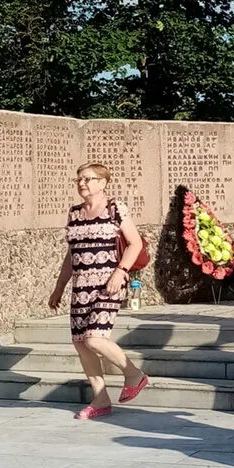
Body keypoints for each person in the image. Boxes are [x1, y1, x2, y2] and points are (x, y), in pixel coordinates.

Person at [48, 162, 149, 420]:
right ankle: (100, 398)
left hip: (109, 283)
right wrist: (59, 288)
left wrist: (121, 271)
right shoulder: (74, 214)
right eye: (79, 179)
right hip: (81, 286)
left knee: (94, 339)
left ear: (103, 183)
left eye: (88, 179)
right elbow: (71, 255)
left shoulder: (116, 208)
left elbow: (135, 243)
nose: (82, 183)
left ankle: (134, 375)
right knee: (81, 344)